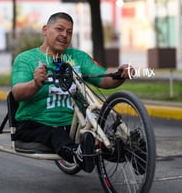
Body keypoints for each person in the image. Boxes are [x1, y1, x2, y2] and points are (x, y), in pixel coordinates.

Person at [11, 12, 134, 173]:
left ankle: (132, 152)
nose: (64, 35)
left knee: (102, 134)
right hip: (35, 124)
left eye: (69, 32)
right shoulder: (26, 59)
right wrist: (35, 83)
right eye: (60, 29)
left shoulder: (78, 57)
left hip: (73, 126)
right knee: (55, 133)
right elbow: (17, 94)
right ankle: (78, 155)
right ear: (45, 30)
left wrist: (120, 73)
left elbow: (104, 79)